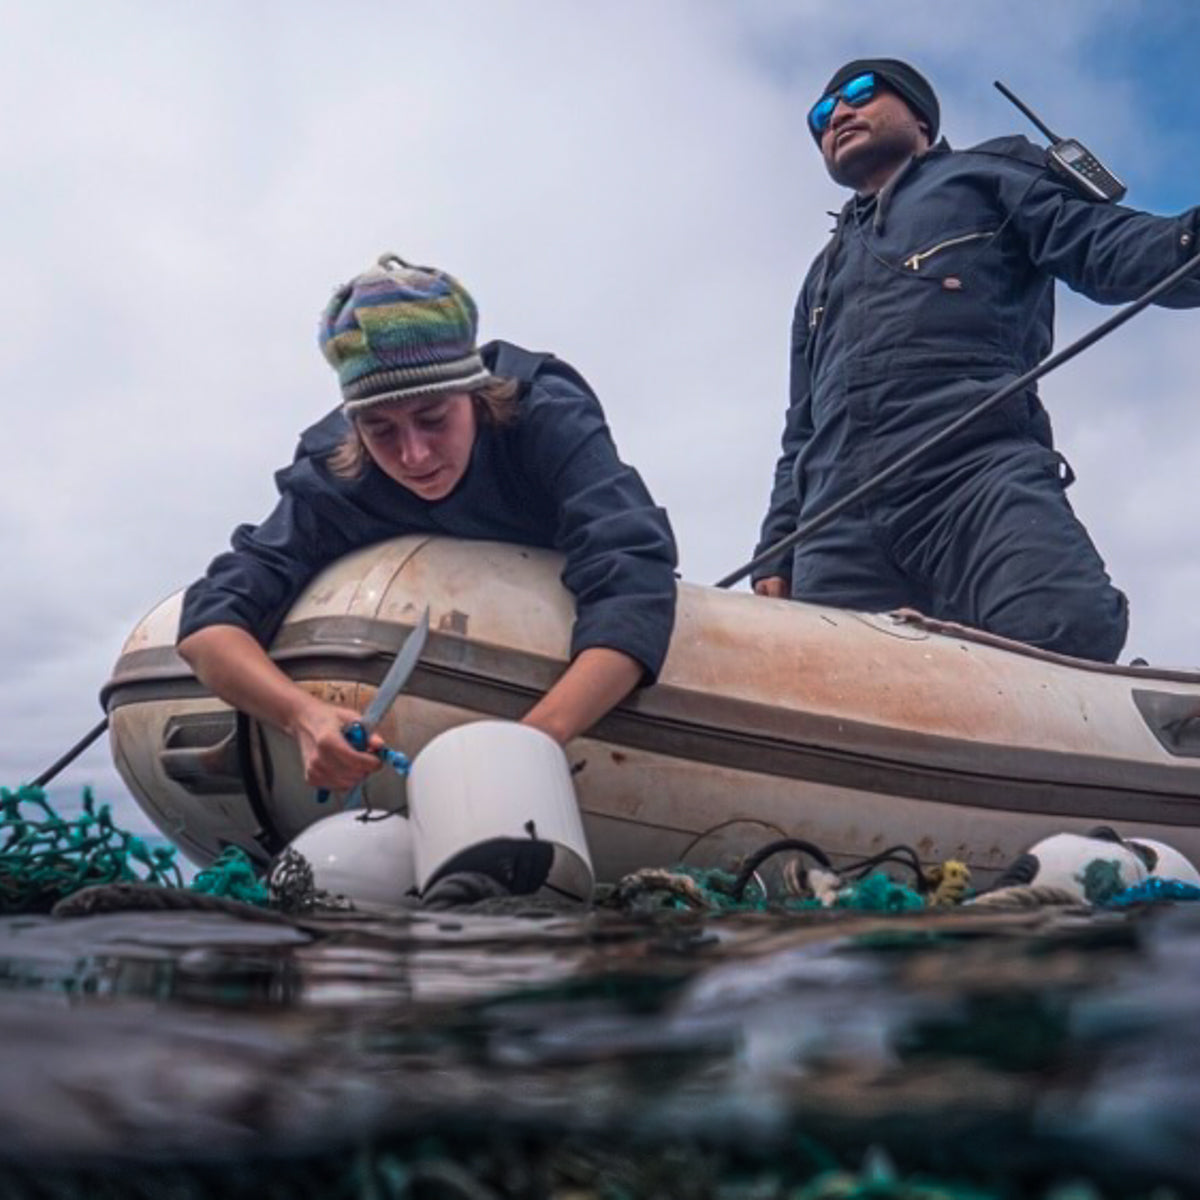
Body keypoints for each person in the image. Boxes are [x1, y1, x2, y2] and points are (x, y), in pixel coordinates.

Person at [177, 253, 677, 794]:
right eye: (380, 429)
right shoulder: (335, 475)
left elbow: (633, 574)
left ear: (475, 393)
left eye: (433, 418)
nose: (413, 455)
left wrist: (532, 744)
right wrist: (302, 716)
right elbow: (209, 621)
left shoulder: (545, 415)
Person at [752, 58, 1200, 662]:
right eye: (820, 116)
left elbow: (1104, 246)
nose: (837, 113)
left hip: (971, 472)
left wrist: (1187, 243)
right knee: (817, 688)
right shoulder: (819, 276)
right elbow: (800, 427)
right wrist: (779, 546)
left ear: (919, 117)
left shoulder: (989, 177)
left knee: (1068, 625)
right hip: (835, 522)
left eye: (858, 92)